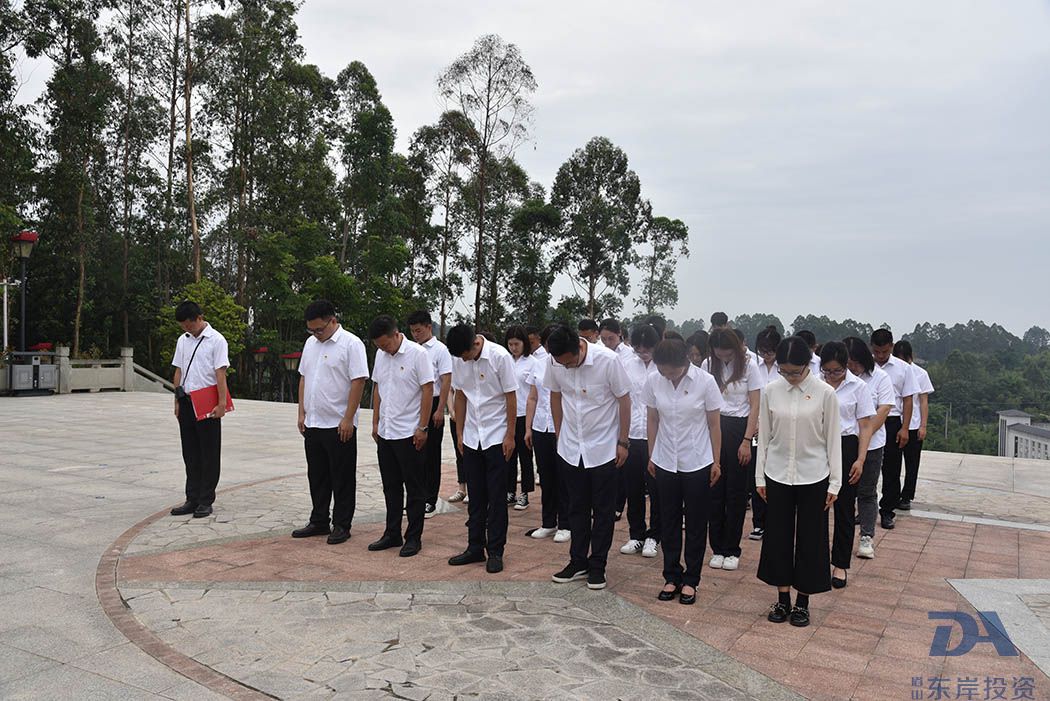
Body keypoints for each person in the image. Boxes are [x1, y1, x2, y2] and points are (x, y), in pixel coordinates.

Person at [756, 336, 841, 628]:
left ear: (808, 364)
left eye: (795, 371)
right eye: (784, 371)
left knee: (812, 539)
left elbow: (833, 441)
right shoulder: (770, 391)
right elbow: (764, 436)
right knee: (778, 536)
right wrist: (759, 476)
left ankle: (803, 602)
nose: (790, 377)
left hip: (814, 476)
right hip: (777, 474)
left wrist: (835, 483)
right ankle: (782, 598)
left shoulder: (825, 393)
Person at [545, 324, 632, 590]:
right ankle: (578, 561)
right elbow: (555, 396)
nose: (565, 367)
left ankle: (598, 565)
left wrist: (623, 442)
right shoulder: (556, 360)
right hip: (571, 448)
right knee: (576, 508)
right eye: (561, 364)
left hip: (604, 448)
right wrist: (560, 434)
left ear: (579, 348)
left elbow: (625, 400)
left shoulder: (608, 361)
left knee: (603, 511)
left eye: (569, 363)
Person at [642, 338, 723, 604]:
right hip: (665, 459)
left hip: (697, 460)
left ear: (685, 363)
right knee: (669, 520)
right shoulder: (654, 380)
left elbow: (713, 425)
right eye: (663, 370)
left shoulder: (705, 382)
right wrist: (652, 454)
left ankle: (691, 580)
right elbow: (653, 419)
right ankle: (671, 575)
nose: (668, 376)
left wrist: (716, 461)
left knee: (697, 522)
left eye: (673, 371)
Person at [292, 300, 368, 544]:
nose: (316, 334)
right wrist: (302, 412)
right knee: (317, 475)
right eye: (311, 330)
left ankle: (342, 523)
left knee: (342, 476)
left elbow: (358, 381)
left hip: (338, 424)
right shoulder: (310, 344)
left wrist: (348, 418)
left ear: (333, 321)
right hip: (314, 422)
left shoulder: (351, 344)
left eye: (319, 329)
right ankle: (319, 520)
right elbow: (304, 378)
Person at [446, 323, 517, 574]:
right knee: (475, 496)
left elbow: (511, 397)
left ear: (475, 344)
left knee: (496, 497)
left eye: (465, 355)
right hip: (472, 436)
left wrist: (510, 435)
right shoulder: (460, 360)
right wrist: (459, 432)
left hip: (497, 436)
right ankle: (474, 546)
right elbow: (461, 395)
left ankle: (496, 551)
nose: (463, 360)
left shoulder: (500, 357)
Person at [368, 315, 434, 558]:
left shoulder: (418, 354)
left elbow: (428, 389)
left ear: (396, 335)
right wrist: (375, 421)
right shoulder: (380, 355)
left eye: (386, 344)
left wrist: (423, 427)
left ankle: (413, 537)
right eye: (379, 346)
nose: (383, 349)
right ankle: (392, 532)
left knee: (415, 488)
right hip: (386, 431)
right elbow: (377, 387)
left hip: (410, 432)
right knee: (390, 487)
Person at [702, 328, 762, 571]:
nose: (723, 357)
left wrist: (747, 440)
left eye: (727, 352)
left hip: (740, 428)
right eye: (718, 352)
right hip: (715, 427)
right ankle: (716, 547)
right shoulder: (708, 364)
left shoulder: (749, 365)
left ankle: (732, 549)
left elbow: (755, 403)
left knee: (736, 493)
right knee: (714, 489)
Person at [818, 341, 875, 588]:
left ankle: (840, 564)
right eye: (827, 371)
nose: (831, 376)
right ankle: (817, 562)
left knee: (843, 509)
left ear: (847, 366)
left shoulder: (858, 387)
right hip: (817, 448)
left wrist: (861, 459)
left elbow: (865, 425)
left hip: (846, 447)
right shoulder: (815, 385)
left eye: (837, 371)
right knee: (817, 509)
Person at [170, 301, 230, 519]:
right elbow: (178, 370)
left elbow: (220, 373)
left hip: (207, 402)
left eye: (189, 325)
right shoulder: (182, 341)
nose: (187, 330)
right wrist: (176, 400)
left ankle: (206, 500)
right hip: (186, 400)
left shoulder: (217, 340)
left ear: (199, 318)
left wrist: (221, 404)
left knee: (209, 453)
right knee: (190, 453)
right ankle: (191, 498)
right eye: (183, 327)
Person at [843, 337, 894, 560]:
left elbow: (883, 410)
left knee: (866, 491)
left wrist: (862, 437)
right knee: (840, 492)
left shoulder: (880, 379)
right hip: (842, 443)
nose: (851, 367)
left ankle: (866, 536)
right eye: (848, 362)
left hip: (872, 444)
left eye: (855, 362)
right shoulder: (836, 378)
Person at [618, 324, 662, 559]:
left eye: (648, 349)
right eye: (638, 349)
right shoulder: (626, 364)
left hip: (657, 436)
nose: (643, 353)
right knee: (632, 487)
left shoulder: (664, 365)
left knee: (656, 489)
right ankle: (636, 534)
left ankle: (654, 535)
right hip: (632, 434)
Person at [525, 324, 570, 541]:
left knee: (564, 477)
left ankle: (566, 523)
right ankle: (548, 521)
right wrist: (528, 427)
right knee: (546, 476)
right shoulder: (539, 364)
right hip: (541, 426)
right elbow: (532, 397)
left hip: (562, 429)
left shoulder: (569, 364)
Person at [869, 329, 918, 530]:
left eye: (884, 352)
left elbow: (908, 400)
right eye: (877, 352)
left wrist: (905, 428)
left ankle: (887, 511)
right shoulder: (864, 366)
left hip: (892, 421)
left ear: (891, 347)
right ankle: (865, 508)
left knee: (891, 468)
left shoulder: (903, 368)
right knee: (867, 467)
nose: (880, 356)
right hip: (868, 421)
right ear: (871, 347)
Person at [408, 310, 453, 519]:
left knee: (432, 455)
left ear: (428, 327)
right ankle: (416, 497)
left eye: (418, 330)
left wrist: (440, 409)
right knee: (415, 453)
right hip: (415, 403)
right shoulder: (410, 349)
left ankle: (430, 499)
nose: (415, 334)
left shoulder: (440, 350)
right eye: (412, 331)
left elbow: (446, 381)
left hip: (434, 401)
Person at [748, 325, 782, 541]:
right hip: (756, 428)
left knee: (776, 475)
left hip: (779, 427)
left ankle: (776, 521)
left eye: (770, 350)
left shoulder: (785, 367)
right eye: (762, 350)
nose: (766, 355)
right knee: (757, 475)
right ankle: (759, 522)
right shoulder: (753, 366)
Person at [893, 340, 935, 510]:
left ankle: (907, 496)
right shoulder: (891, 372)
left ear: (911, 357)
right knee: (892, 464)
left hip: (914, 424)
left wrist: (923, 426)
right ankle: (892, 494)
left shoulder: (921, 374)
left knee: (912, 463)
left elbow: (923, 401)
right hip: (895, 422)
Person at [504, 325, 537, 510]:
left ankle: (524, 493)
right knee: (508, 454)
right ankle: (509, 490)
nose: (514, 348)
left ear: (525, 343)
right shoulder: (505, 360)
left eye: (517, 344)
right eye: (510, 344)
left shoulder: (532, 363)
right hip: (508, 414)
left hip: (525, 414)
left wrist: (529, 426)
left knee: (525, 455)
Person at [446, 387, 468, 504]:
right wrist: (451, 410)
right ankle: (462, 488)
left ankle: (472, 488)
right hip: (455, 418)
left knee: (469, 453)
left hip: (469, 417)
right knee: (459, 452)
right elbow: (450, 390)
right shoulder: (453, 369)